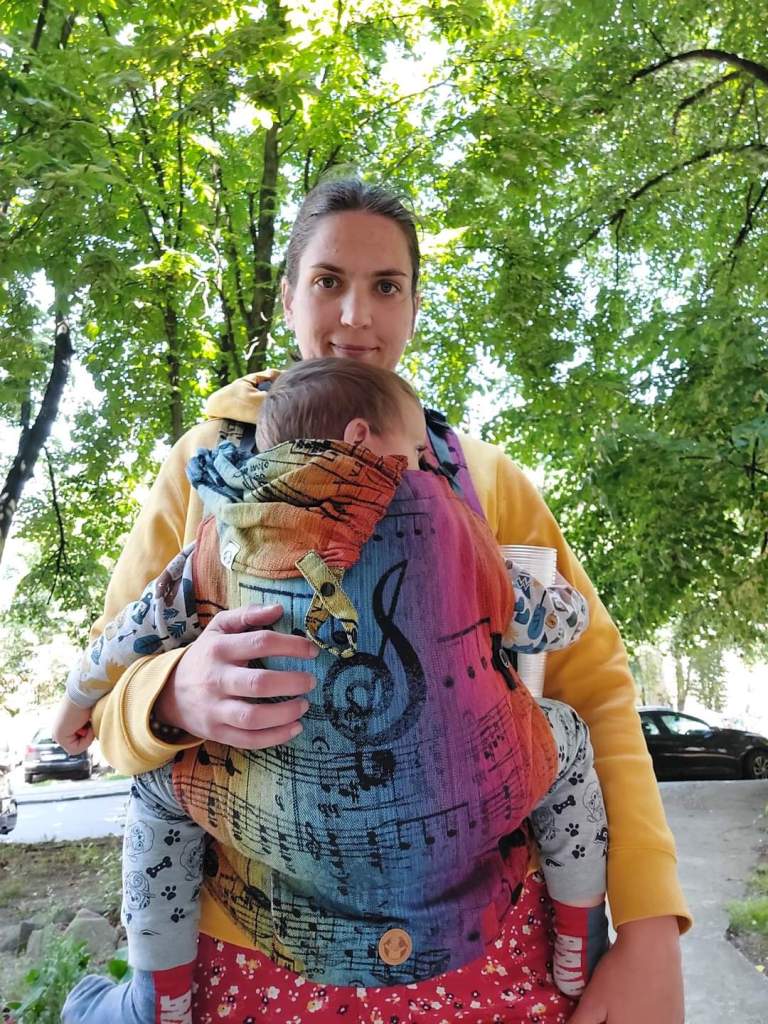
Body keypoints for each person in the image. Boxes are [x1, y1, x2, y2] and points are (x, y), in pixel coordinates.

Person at [81, 180, 688, 1023]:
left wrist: (651, 927)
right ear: (288, 296)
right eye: (328, 280)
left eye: (387, 286)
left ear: (413, 307)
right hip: (250, 964)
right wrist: (171, 694)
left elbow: (596, 692)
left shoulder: (487, 479)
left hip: (494, 959)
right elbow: (106, 697)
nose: (356, 315)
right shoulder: (200, 472)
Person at [59, 358, 607, 1024]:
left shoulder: (221, 530)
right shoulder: (456, 520)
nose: (423, 468)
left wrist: (76, 703)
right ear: (360, 438)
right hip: (471, 813)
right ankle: (582, 932)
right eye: (416, 453)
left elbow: (127, 635)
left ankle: (160, 993)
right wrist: (562, 599)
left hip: (276, 831)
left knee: (156, 790)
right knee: (566, 737)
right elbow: (554, 625)